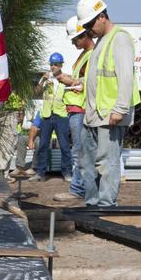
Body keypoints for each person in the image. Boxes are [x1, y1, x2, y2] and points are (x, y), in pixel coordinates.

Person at [75, 0, 140, 208]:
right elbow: (99, 76)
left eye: (89, 24)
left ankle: (105, 204)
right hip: (94, 114)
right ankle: (93, 202)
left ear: (102, 16)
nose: (88, 30)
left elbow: (125, 78)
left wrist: (120, 108)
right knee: (87, 162)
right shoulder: (102, 42)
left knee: (107, 162)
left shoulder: (120, 38)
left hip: (110, 114)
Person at [63, 15, 93, 199]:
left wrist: (71, 81)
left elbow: (89, 82)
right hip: (75, 108)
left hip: (81, 109)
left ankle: (78, 189)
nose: (74, 43)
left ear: (84, 35)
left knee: (80, 151)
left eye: (75, 39)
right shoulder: (84, 55)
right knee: (80, 150)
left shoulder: (92, 55)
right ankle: (79, 188)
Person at [34, 52, 73, 181]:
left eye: (56, 64)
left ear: (61, 65)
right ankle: (40, 173)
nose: (53, 67)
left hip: (61, 115)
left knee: (64, 145)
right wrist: (43, 80)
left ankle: (67, 172)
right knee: (43, 145)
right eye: (51, 64)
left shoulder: (65, 77)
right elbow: (36, 92)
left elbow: (74, 89)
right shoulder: (46, 78)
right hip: (46, 115)